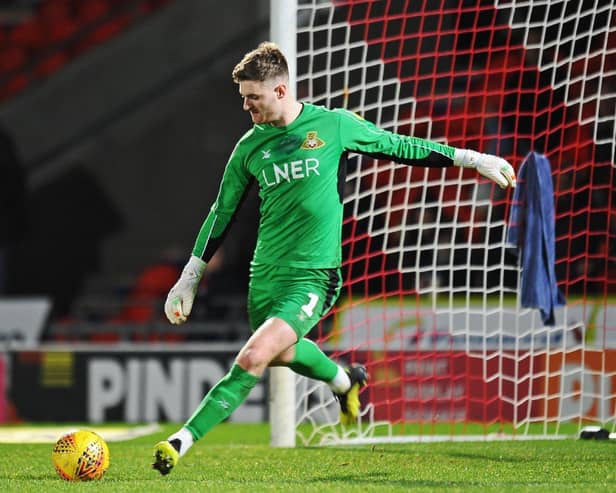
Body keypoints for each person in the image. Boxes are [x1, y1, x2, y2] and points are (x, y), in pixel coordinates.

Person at [152, 41, 516, 475]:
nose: (246, 105)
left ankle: (180, 441)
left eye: (254, 96)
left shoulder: (333, 126)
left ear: (282, 91)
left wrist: (470, 159)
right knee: (283, 355)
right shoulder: (249, 147)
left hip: (313, 276)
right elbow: (221, 211)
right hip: (264, 276)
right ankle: (345, 380)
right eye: (243, 97)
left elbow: (398, 146)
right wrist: (190, 276)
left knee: (253, 357)